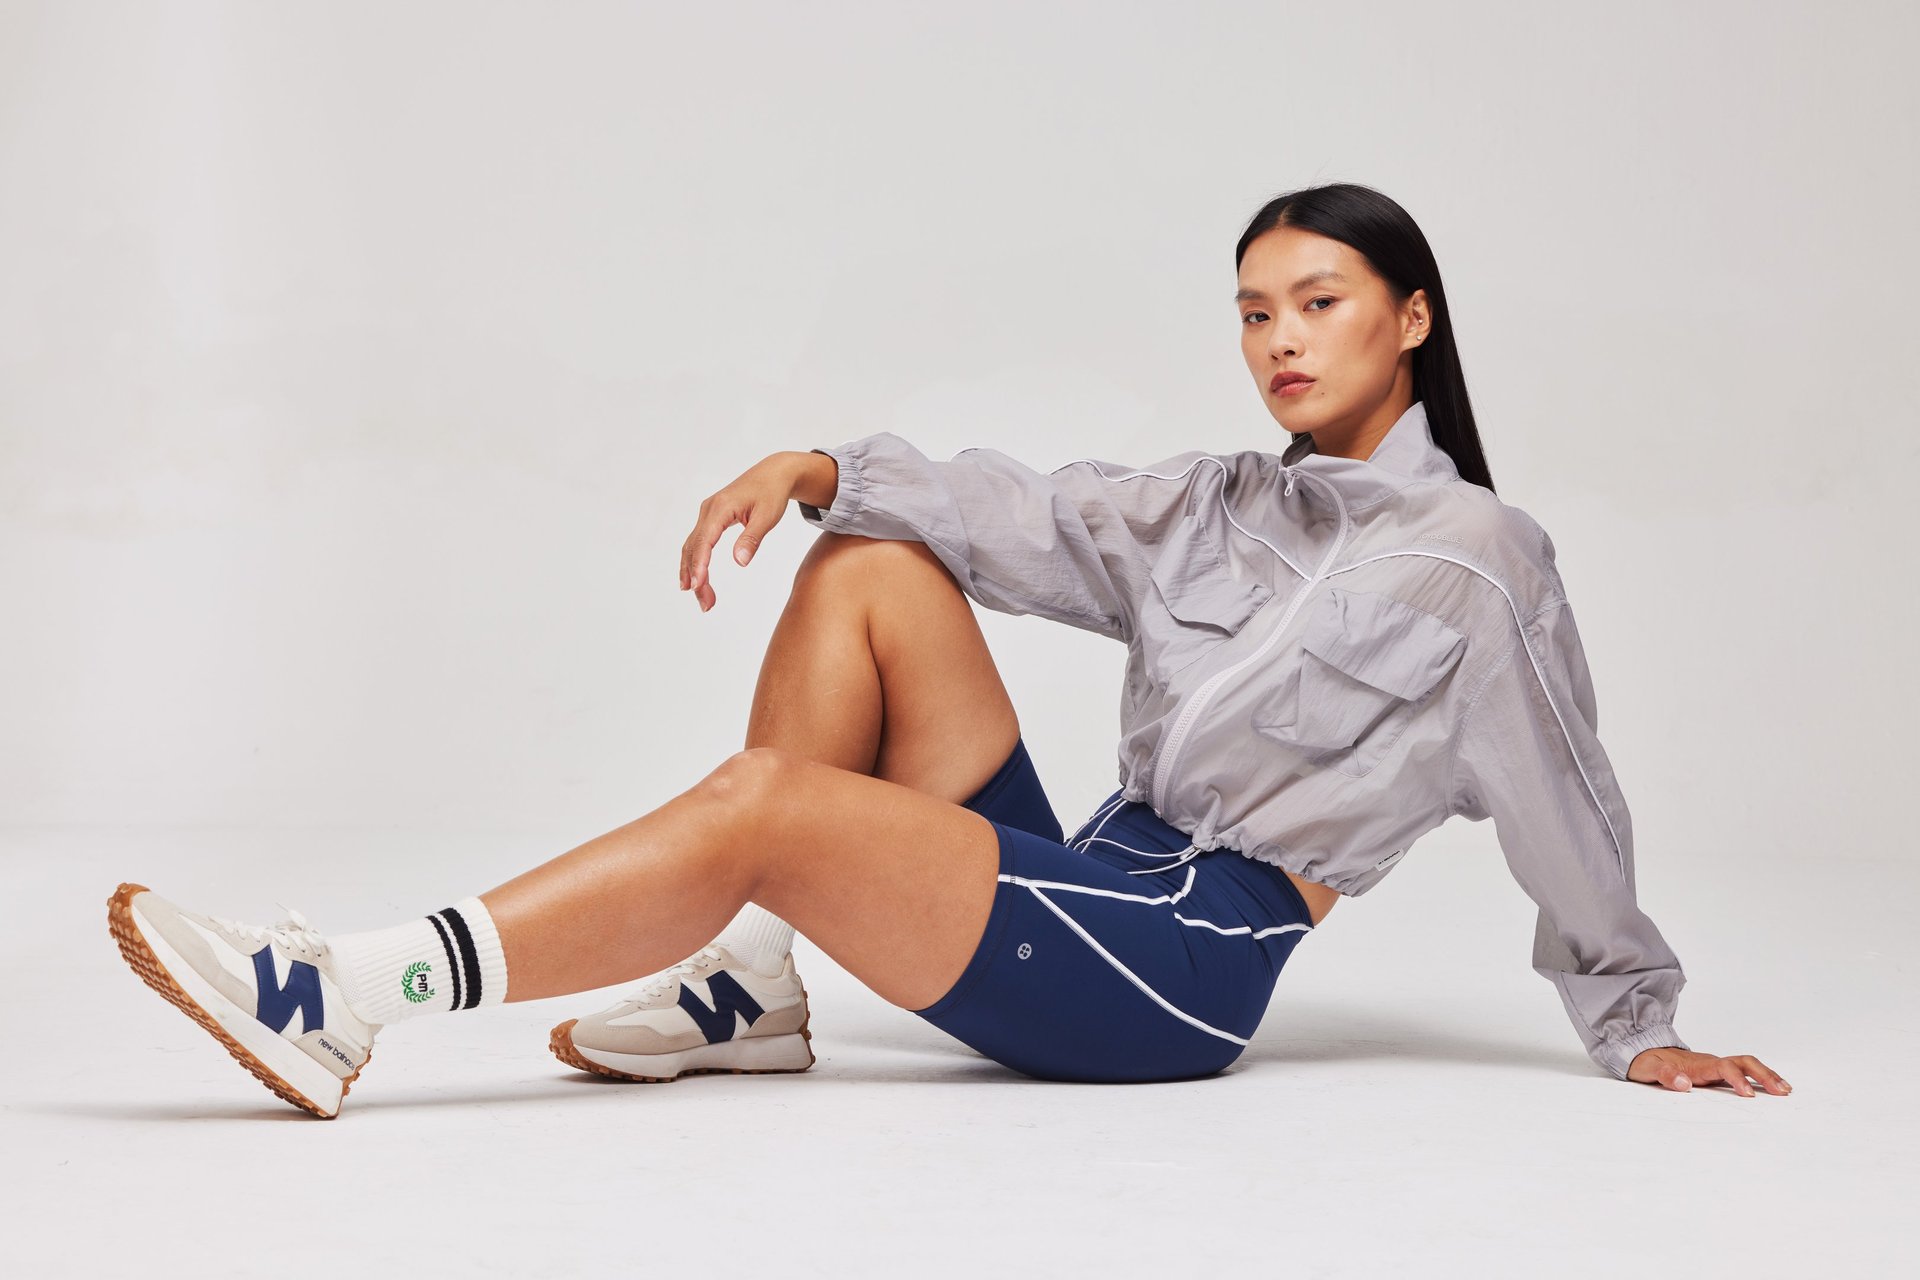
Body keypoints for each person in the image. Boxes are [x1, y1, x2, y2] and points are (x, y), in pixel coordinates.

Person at [107, 181, 1790, 1118]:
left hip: (1182, 963)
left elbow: (1566, 787)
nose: (1280, 339)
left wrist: (1635, 1015)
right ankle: (749, 991)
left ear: (1412, 318)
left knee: (770, 801)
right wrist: (821, 466)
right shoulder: (1217, 504)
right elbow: (1025, 509)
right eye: (1255, 311)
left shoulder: (1481, 564)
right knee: (877, 560)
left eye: (1322, 302)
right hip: (1093, 879)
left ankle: (341, 996)